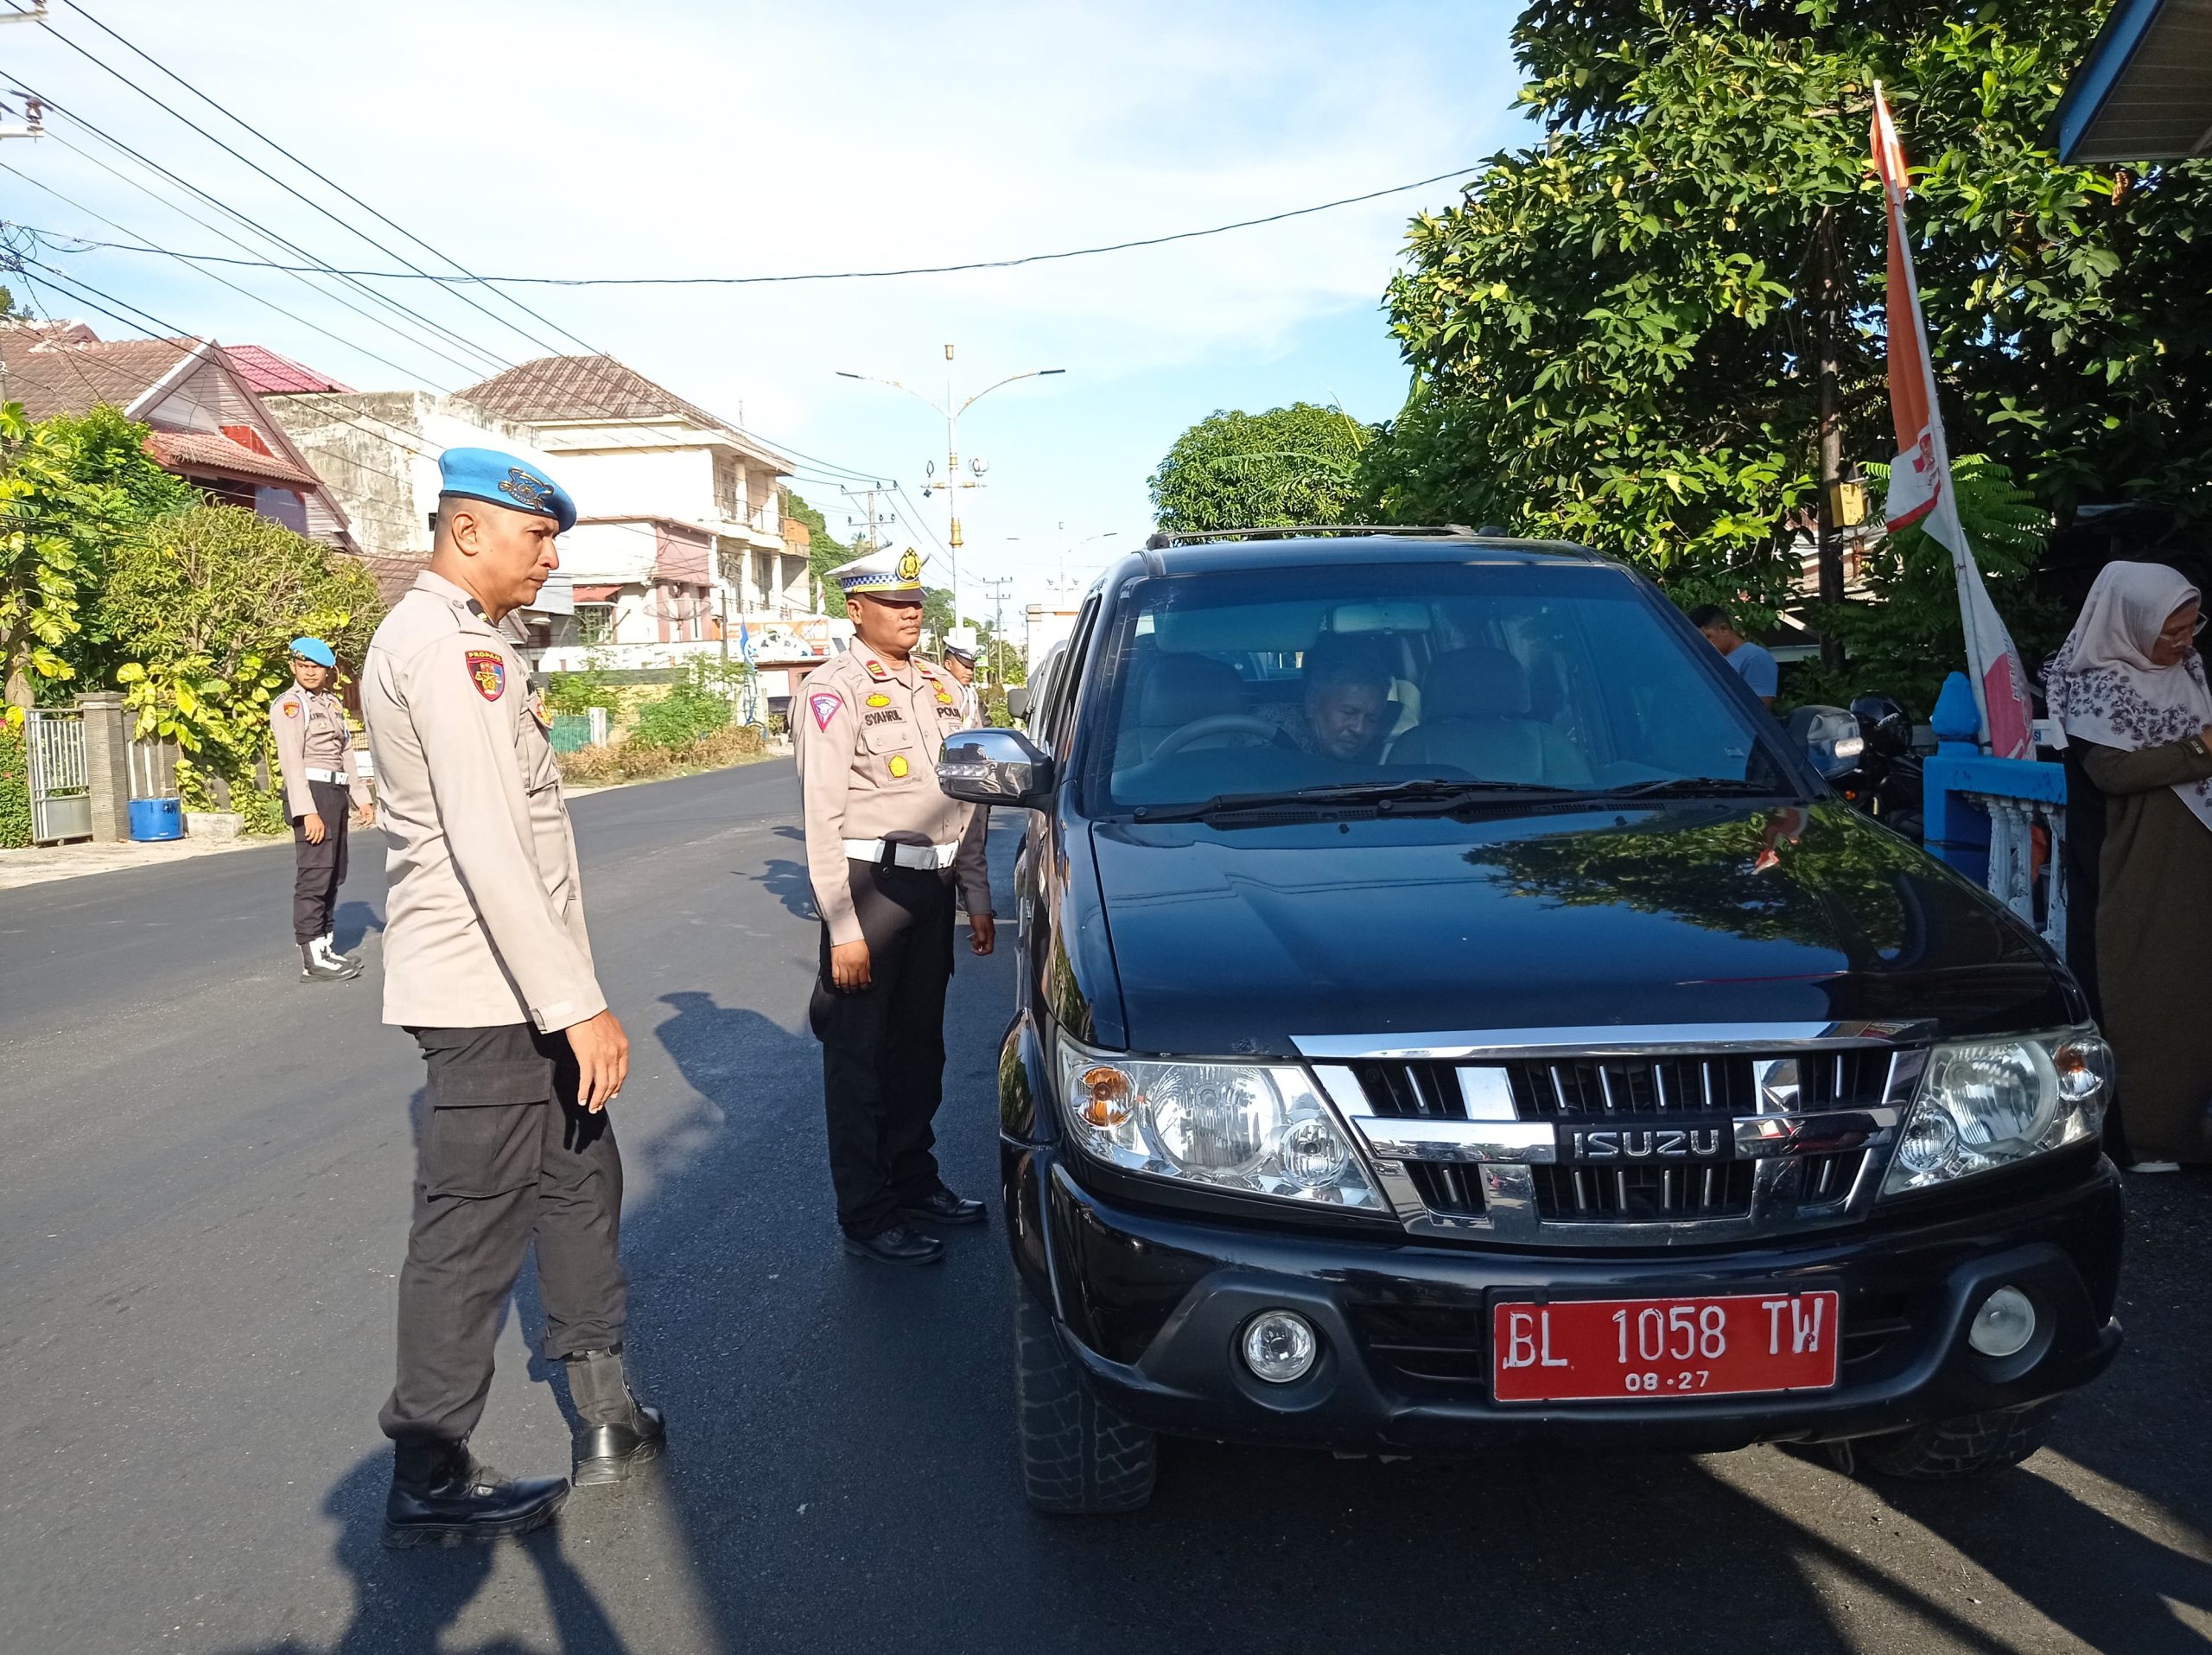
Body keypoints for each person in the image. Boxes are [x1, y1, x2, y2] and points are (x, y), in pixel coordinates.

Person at [362, 449, 664, 1548]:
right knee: (472, 1225)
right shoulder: (448, 649)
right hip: (486, 990)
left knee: (581, 1176)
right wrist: (575, 1002)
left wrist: (566, 998)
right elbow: (489, 842)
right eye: (536, 536)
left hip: (521, 983)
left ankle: (606, 1411)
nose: (548, 558)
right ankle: (429, 1466)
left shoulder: (477, 642)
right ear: (468, 530)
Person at [798, 546, 994, 1266]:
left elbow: (968, 798)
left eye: (916, 601)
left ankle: (915, 1180)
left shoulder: (945, 688)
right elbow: (821, 817)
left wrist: (975, 891)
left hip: (932, 889)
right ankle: (867, 1211)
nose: (911, 613)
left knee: (919, 1049)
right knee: (860, 1058)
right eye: (894, 602)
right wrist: (842, 927)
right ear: (856, 610)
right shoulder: (834, 690)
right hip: (869, 888)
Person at [2046, 560, 2212, 1172]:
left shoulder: (2188, 673)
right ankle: (2146, 1137)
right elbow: (2113, 771)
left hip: (2191, 853)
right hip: (2138, 861)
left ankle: (2190, 1129)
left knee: (2195, 989)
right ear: (2131, 623)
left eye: (2191, 627)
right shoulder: (2099, 684)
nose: (2184, 642)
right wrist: (2200, 749)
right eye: (2172, 630)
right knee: (2147, 987)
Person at [270, 637, 374, 982]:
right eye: (303, 666)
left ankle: (326, 947)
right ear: (293, 667)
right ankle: (312, 959)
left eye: (316, 667)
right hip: (311, 793)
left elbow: (345, 753)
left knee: (334, 873)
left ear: (328, 670)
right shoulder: (291, 706)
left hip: (335, 791)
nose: (310, 672)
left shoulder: (331, 703)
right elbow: (291, 763)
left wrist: (361, 797)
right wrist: (307, 811)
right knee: (314, 875)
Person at [1262, 635, 1392, 761]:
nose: (1359, 729)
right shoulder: (1269, 737)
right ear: (1312, 703)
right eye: (1349, 713)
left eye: (1372, 719)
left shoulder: (1377, 758)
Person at [1689, 604, 1779, 706]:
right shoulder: (1715, 659)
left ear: (1724, 629)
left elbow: (1759, 708)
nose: (1704, 644)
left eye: (1708, 637)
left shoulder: (1756, 657)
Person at [940, 627, 983, 728]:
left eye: (971, 668)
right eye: (965, 666)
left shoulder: (970, 694)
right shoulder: (939, 691)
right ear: (948, 665)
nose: (970, 672)